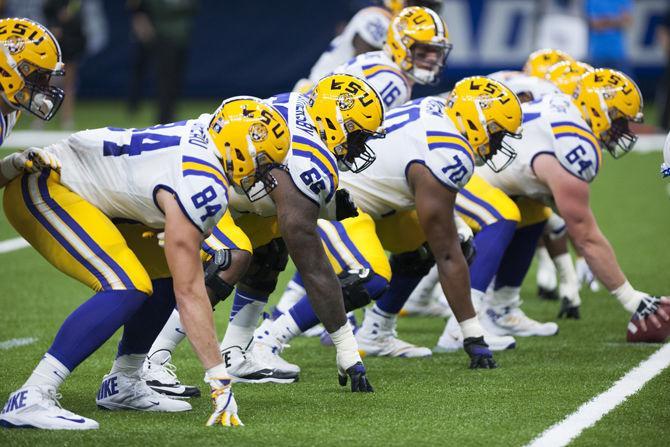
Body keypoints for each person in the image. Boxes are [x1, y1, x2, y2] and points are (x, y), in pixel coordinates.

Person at [0, 96, 291, 429]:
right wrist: (219, 381)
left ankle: (123, 381)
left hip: (92, 191)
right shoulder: (203, 183)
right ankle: (32, 395)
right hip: (50, 185)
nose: (268, 174)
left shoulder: (205, 134)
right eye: (266, 163)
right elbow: (191, 291)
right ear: (240, 150)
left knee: (163, 275)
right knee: (125, 285)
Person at [254, 76, 523, 370]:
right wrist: (473, 334)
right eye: (497, 135)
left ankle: (376, 332)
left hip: (376, 202)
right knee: (368, 278)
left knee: (428, 248)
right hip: (335, 200)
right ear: (476, 123)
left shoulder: (437, 110)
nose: (498, 146)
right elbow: (446, 252)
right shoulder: (449, 152)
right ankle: (269, 338)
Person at [141, 74, 385, 393]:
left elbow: (272, 190)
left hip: (219, 183)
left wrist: (322, 205)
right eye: (357, 137)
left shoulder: (301, 105)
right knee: (232, 257)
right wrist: (347, 347)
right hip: (185, 177)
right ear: (335, 124)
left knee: (271, 247)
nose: (359, 148)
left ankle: (236, 353)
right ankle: (151, 360)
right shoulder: (310, 160)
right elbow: (313, 266)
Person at [474, 68, 670, 337]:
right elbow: (585, 237)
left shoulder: (561, 105)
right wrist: (631, 298)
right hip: (462, 180)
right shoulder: (575, 145)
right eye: (620, 121)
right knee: (503, 215)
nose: (624, 131)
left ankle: (501, 310)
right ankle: (460, 326)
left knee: (535, 213)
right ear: (599, 111)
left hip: (480, 176)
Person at [294, 0, 445, 92]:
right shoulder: (376, 18)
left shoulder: (401, 30)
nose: (423, 9)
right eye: (419, 2)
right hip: (318, 93)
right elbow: (364, 75)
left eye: (430, 6)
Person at [0, 17, 64, 156]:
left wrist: (12, 168)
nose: (44, 88)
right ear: (5, 69)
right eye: (38, 78)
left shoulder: (10, 109)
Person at [43, 0, 86, 129]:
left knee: (68, 85)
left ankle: (67, 118)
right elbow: (47, 11)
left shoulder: (76, 5)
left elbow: (80, 24)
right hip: (53, 46)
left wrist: (69, 18)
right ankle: (42, 116)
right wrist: (55, 23)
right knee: (46, 84)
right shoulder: (52, 4)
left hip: (70, 45)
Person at [585, 0, 633, 73]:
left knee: (627, 83)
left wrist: (604, 20)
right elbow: (595, 25)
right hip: (597, 54)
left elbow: (627, 21)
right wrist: (617, 20)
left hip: (618, 53)